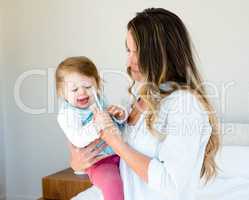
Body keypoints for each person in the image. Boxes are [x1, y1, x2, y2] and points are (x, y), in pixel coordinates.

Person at [69, 8, 220, 200]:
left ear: (162, 54)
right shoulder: (139, 99)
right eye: (128, 50)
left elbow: (171, 184)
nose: (129, 61)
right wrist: (79, 163)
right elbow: (123, 167)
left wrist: (116, 142)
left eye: (137, 52)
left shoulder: (184, 104)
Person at [55, 56, 126, 200]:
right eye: (74, 89)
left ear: (98, 85)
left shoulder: (99, 100)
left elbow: (117, 126)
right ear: (62, 93)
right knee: (112, 183)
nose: (82, 92)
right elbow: (78, 139)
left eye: (88, 87)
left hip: (122, 154)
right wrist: (97, 124)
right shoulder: (68, 113)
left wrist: (119, 114)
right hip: (99, 162)